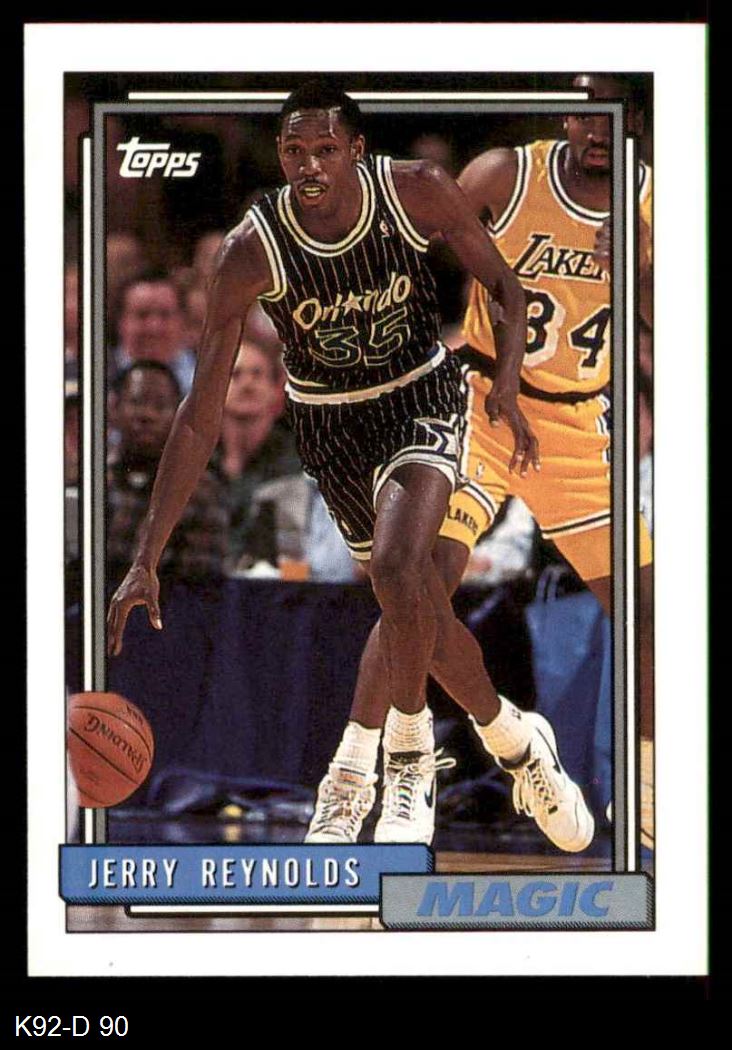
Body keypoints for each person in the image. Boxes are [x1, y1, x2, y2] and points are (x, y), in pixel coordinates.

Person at [107, 81, 593, 854]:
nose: (310, 165)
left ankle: (397, 764)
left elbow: (505, 283)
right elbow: (200, 413)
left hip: (422, 396)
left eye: (326, 149)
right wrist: (145, 556)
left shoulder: (416, 190)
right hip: (331, 425)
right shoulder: (250, 249)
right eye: (294, 151)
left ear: (357, 151)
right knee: (416, 603)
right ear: (279, 156)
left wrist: (504, 380)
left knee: (398, 570)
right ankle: (514, 739)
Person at [355, 73, 655, 847]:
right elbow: (404, 253)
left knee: (652, 613)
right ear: (566, 115)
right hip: (483, 403)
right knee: (415, 584)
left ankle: (651, 793)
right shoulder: (505, 174)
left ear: (636, 121)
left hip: (579, 424)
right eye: (584, 112)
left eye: (612, 114)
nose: (595, 129)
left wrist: (640, 268)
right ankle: (393, 777)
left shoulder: (656, 199)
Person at [107, 361, 229, 588]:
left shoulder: (199, 488)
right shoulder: (94, 478)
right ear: (114, 408)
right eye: (136, 402)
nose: (147, 415)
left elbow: (204, 584)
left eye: (160, 406)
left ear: (179, 415)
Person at [213, 340, 301, 566]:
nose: (247, 384)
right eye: (235, 374)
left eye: (257, 374)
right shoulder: (197, 460)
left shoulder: (297, 460)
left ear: (276, 389)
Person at [110, 271, 197, 395]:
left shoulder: (206, 379)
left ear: (182, 322)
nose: (154, 327)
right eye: (142, 315)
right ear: (121, 321)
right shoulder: (95, 376)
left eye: (165, 315)